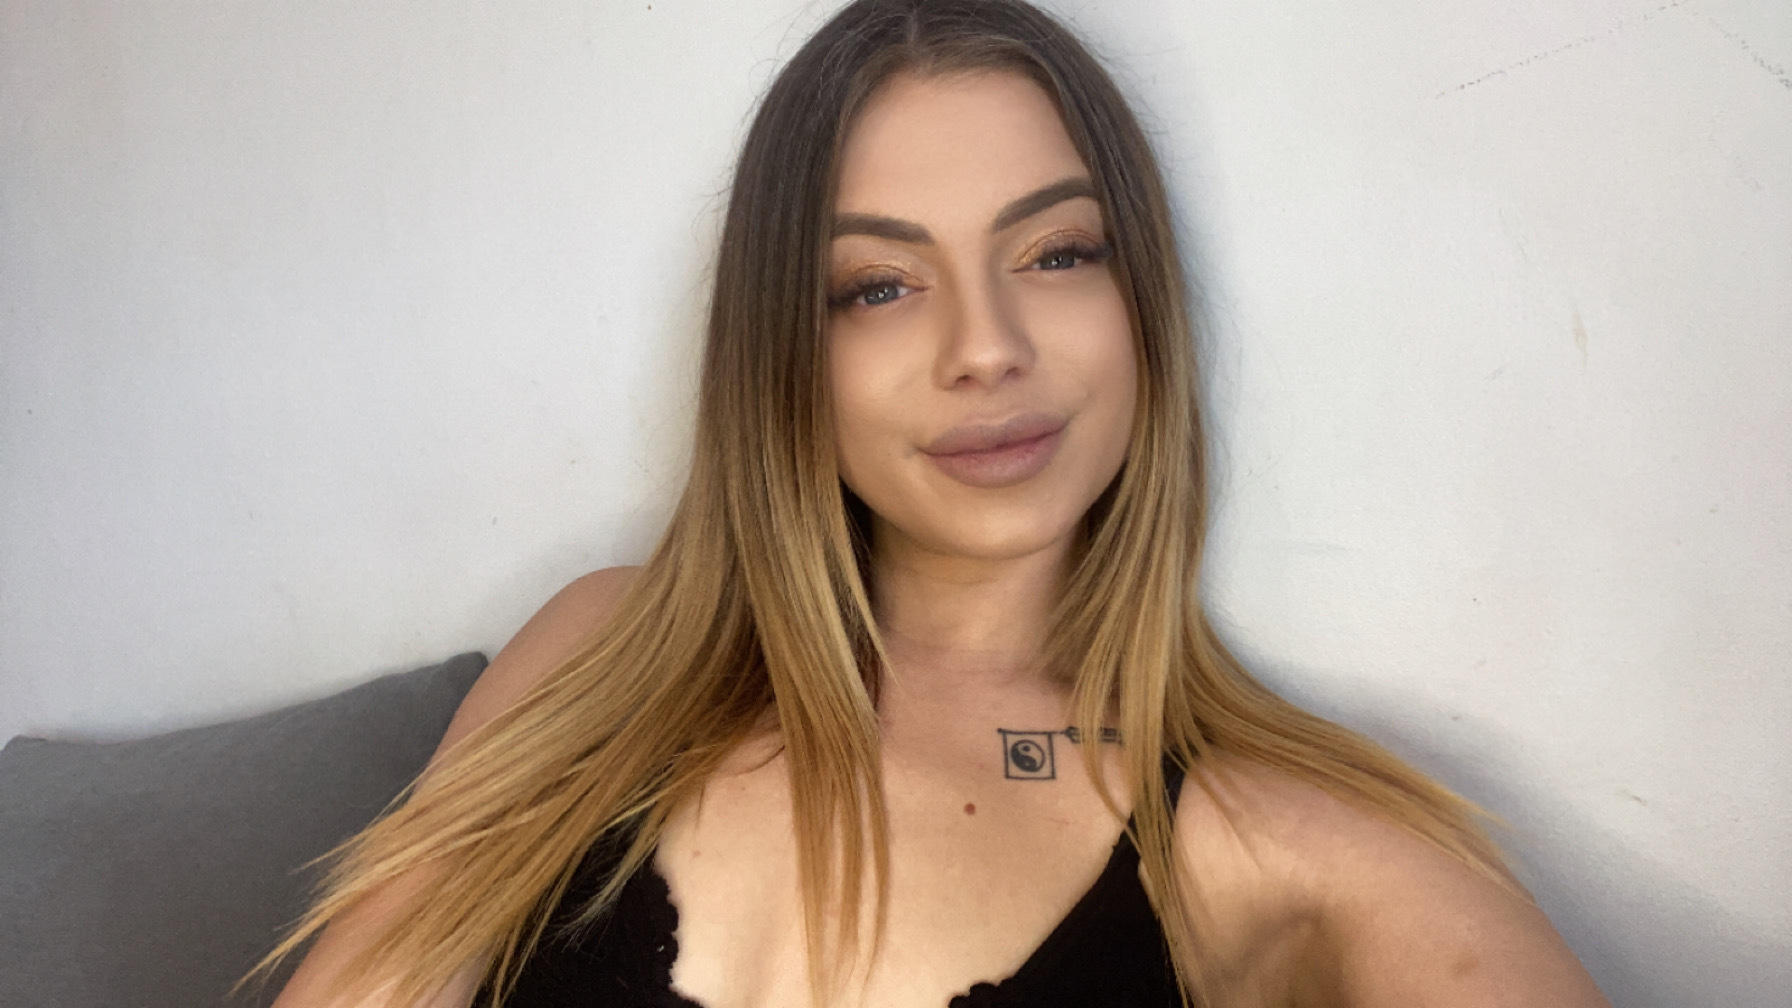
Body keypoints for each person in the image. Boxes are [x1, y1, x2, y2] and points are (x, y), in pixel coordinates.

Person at [248, 1, 1612, 1005]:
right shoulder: (601, 648)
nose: (985, 347)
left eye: (1058, 252)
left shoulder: (1298, 844)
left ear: (1143, 301)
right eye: (879, 286)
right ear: (785, 348)